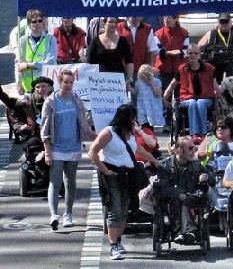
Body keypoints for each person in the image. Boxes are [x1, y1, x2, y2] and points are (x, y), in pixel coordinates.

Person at [88, 104, 159, 260]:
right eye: (132, 117)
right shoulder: (108, 132)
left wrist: (154, 160)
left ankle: (118, 241)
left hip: (129, 175)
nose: (135, 121)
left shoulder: (130, 133)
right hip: (112, 175)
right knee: (115, 209)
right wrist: (105, 171)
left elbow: (138, 149)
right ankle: (113, 246)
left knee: (126, 206)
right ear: (124, 118)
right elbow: (92, 152)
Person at [40, 70, 97, 231]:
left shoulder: (76, 100)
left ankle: (68, 214)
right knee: (55, 181)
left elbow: (84, 126)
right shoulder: (50, 102)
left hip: (73, 147)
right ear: (60, 82)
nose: (68, 85)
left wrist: (99, 137)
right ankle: (54, 215)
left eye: (71, 82)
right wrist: (47, 151)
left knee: (70, 182)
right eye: (66, 82)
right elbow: (44, 130)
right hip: (56, 147)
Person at [163, 43, 226, 144]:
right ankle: (194, 134)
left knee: (200, 102)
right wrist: (164, 98)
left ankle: (203, 134)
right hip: (187, 99)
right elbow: (172, 85)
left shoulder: (209, 68)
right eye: (190, 53)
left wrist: (222, 100)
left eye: (196, 53)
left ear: (199, 55)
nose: (193, 55)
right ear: (187, 54)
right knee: (192, 102)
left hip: (206, 98)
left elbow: (215, 86)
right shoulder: (181, 69)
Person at [156, 136, 214, 245]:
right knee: (179, 200)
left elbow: (212, 179)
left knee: (186, 200)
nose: (194, 151)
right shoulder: (165, 165)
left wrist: (205, 176)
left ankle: (182, 232)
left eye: (194, 148)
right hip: (171, 200)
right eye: (190, 148)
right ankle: (187, 231)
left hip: (192, 197)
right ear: (179, 150)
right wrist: (178, 193)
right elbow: (164, 186)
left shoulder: (196, 165)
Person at [154, 15, 189, 132]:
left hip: (179, 70)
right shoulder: (158, 33)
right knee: (165, 97)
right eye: (164, 18)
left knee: (179, 96)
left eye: (169, 18)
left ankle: (179, 122)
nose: (166, 20)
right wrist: (173, 52)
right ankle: (167, 123)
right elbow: (158, 51)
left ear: (176, 19)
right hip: (163, 69)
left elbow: (185, 50)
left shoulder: (184, 32)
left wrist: (171, 52)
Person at [15, 9, 57, 95]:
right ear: (29, 24)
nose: (37, 23)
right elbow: (18, 64)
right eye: (34, 22)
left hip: (45, 88)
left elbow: (51, 62)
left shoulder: (50, 39)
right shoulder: (22, 40)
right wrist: (18, 83)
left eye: (40, 21)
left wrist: (28, 65)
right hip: (27, 88)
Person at [0, 77, 54, 141]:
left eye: (43, 86)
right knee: (32, 143)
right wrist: (21, 128)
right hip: (36, 137)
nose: (40, 89)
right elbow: (18, 121)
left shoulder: (56, 102)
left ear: (50, 88)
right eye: (37, 87)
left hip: (55, 137)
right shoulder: (27, 104)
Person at [87, 17, 134, 84]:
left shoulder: (123, 41)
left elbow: (129, 61)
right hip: (99, 80)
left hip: (118, 80)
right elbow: (89, 62)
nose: (113, 24)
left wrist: (130, 78)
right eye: (110, 22)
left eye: (115, 22)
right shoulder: (95, 41)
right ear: (104, 24)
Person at [198, 12, 233, 83]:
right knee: (215, 83)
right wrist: (199, 62)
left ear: (231, 22)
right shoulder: (211, 34)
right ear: (218, 22)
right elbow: (198, 47)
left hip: (230, 63)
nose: (224, 24)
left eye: (226, 22)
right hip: (215, 63)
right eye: (222, 22)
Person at [128, 64, 165, 129]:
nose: (144, 79)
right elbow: (136, 92)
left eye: (146, 76)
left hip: (153, 105)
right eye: (142, 77)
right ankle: (145, 129)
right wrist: (129, 88)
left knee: (152, 121)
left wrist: (152, 85)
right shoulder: (138, 82)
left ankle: (151, 130)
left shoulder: (156, 81)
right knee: (143, 121)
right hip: (142, 105)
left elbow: (158, 93)